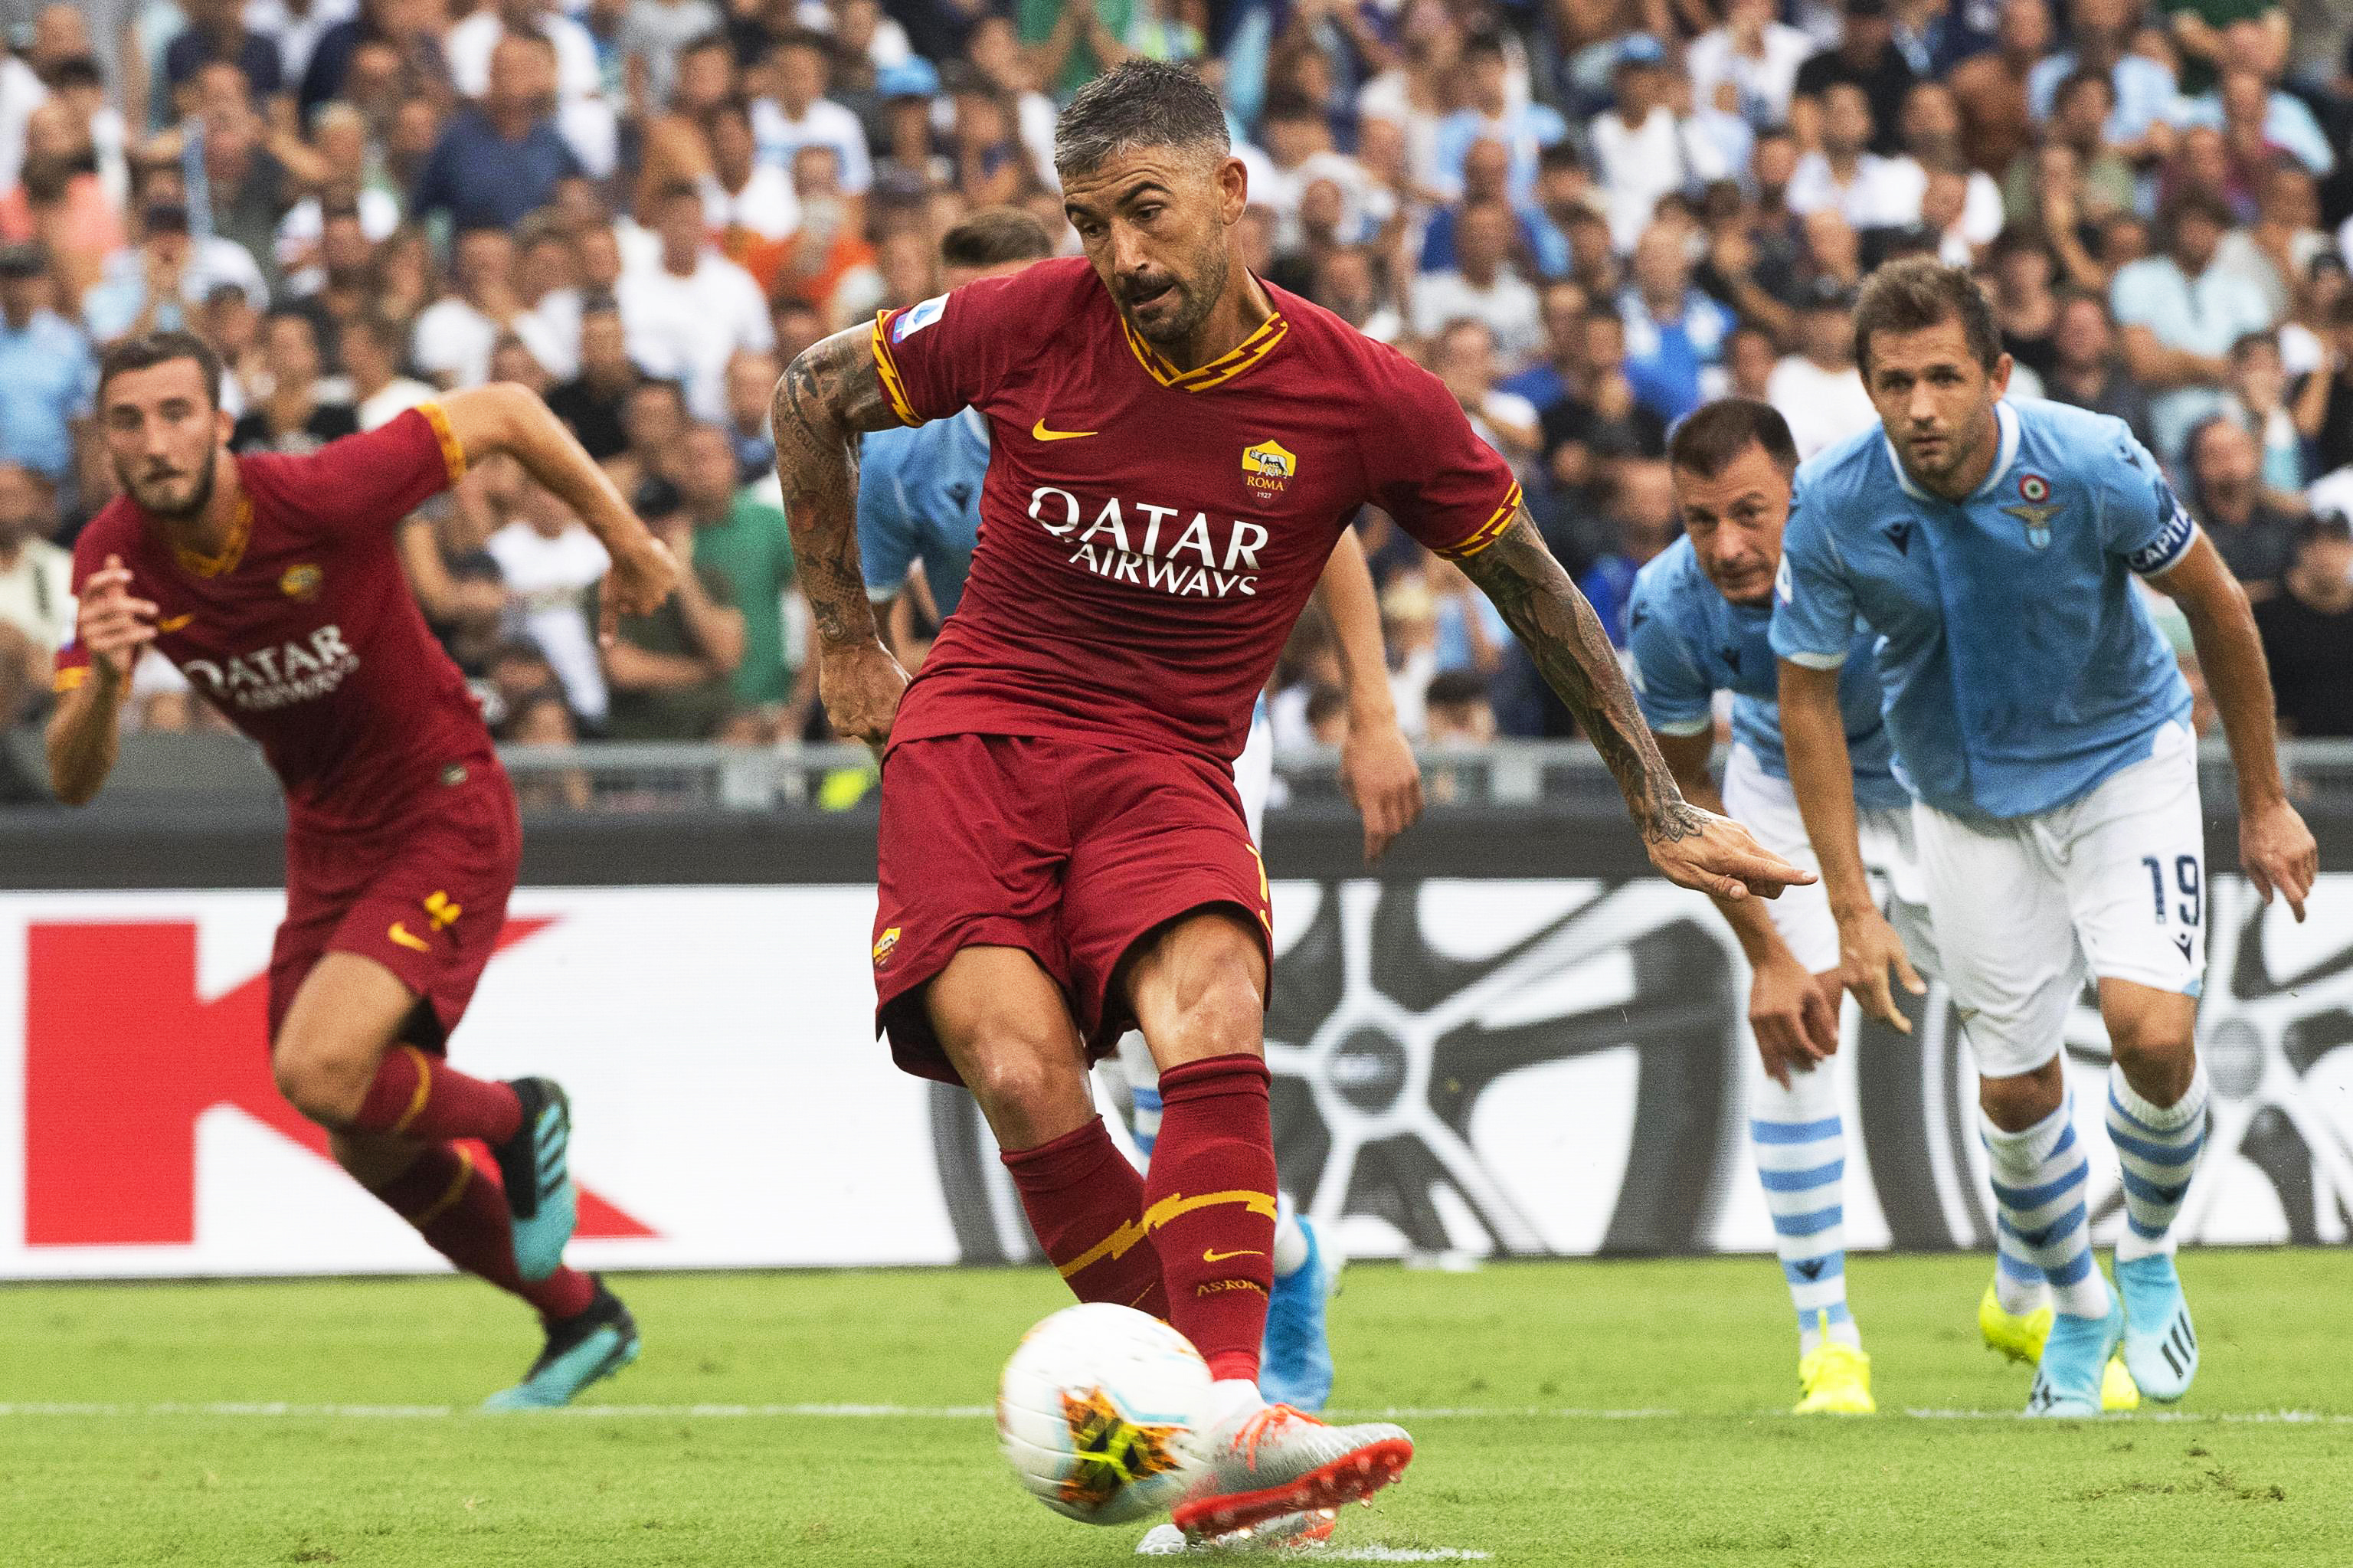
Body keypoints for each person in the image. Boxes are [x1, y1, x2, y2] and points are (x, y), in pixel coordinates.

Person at [771, 61, 1804, 1547]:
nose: (1121, 257)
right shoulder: (1025, 322)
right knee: (1016, 1068)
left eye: (1147, 212)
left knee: (1215, 1009)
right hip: (981, 738)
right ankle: (1219, 1444)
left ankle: (1235, 1412)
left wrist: (1655, 798)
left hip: (1167, 759)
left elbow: (1527, 581)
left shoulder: (1357, 392)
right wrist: (846, 637)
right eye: (1090, 222)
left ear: (1229, 193)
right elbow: (815, 391)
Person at [46, 330, 677, 1406]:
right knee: (364, 1135)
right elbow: (71, 777)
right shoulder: (110, 558)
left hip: (444, 803)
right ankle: (580, 1316)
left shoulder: (321, 491)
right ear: (105, 442)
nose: (156, 441)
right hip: (328, 835)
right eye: (130, 421)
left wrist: (625, 540)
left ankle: (522, 1116)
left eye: (176, 411)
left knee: (321, 1070)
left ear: (223, 418)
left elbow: (510, 411)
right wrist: (105, 680)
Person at [859, 207, 1421, 1413]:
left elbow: (1323, 535)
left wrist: (1371, 705)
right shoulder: (908, 456)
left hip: (1183, 735)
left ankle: (1235, 1350)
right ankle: (1249, 1310)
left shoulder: (1151, 376)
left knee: (1183, 1046)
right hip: (1007, 744)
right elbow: (874, 622)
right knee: (1051, 1077)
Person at [1772, 259, 2316, 1417]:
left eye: (1944, 377)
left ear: (1997, 375)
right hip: (1962, 804)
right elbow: (1806, 696)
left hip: (2125, 762)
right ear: (1866, 387)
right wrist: (1851, 905)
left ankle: (2152, 1250)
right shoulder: (1831, 503)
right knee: (2014, 1093)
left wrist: (2262, 799)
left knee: (2151, 1035)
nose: (1920, 406)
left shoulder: (2089, 457)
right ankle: (2073, 1302)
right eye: (1894, 382)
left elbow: (2218, 602)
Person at [1634, 398, 2137, 1416]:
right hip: (1782, 790)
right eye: (1700, 521)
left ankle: (2031, 1294)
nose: (1727, 547)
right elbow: (1688, 800)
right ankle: (1829, 1339)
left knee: (2020, 1047)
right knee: (1796, 1031)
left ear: (1799, 490)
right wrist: (1768, 951)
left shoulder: (1881, 537)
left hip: (1944, 783)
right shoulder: (1665, 608)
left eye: (1750, 511)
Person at [2251, 511, 2353, 738]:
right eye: (2314, 542)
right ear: (2300, 550)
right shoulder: (2269, 616)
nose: (2325, 553)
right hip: (2292, 758)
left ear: (2349, 549)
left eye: (2336, 542)